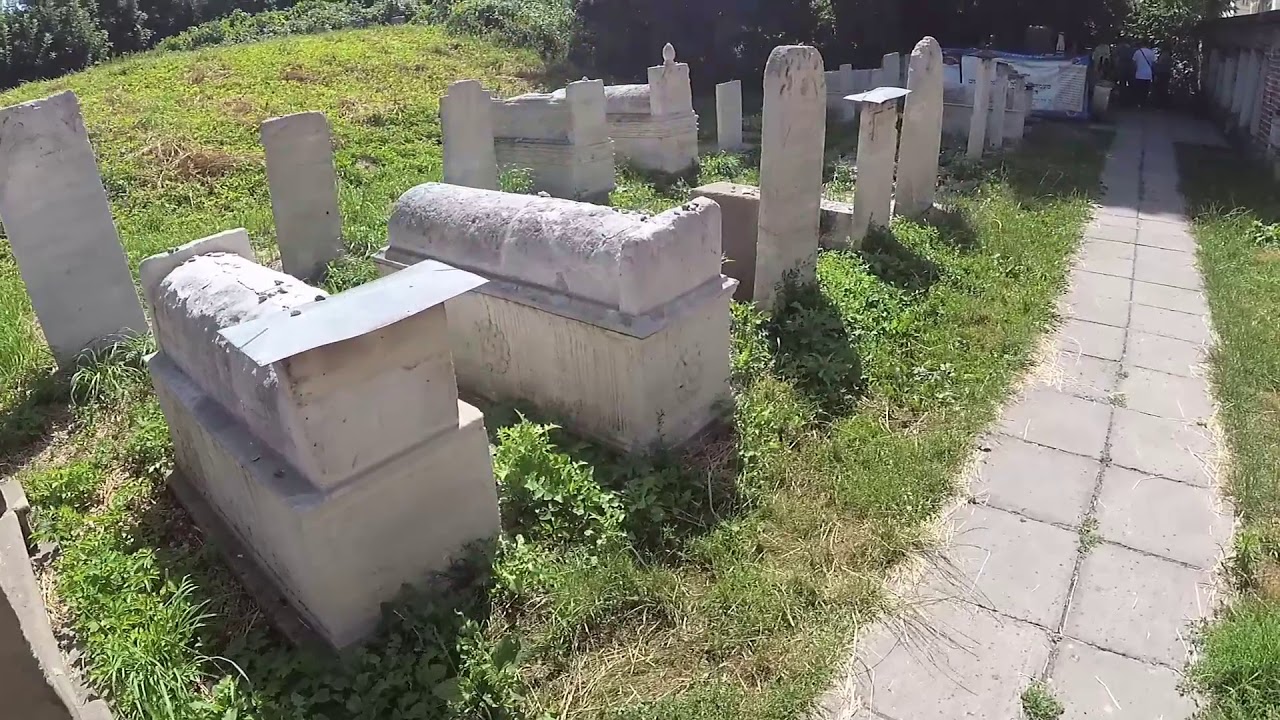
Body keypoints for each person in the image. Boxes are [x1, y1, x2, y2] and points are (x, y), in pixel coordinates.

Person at [1133, 42, 1158, 106]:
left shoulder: (1137, 52)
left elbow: (1134, 63)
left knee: (1139, 89)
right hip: (1148, 74)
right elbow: (1154, 64)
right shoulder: (1151, 52)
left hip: (1139, 74)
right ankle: (1144, 103)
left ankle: (1139, 103)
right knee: (1146, 89)